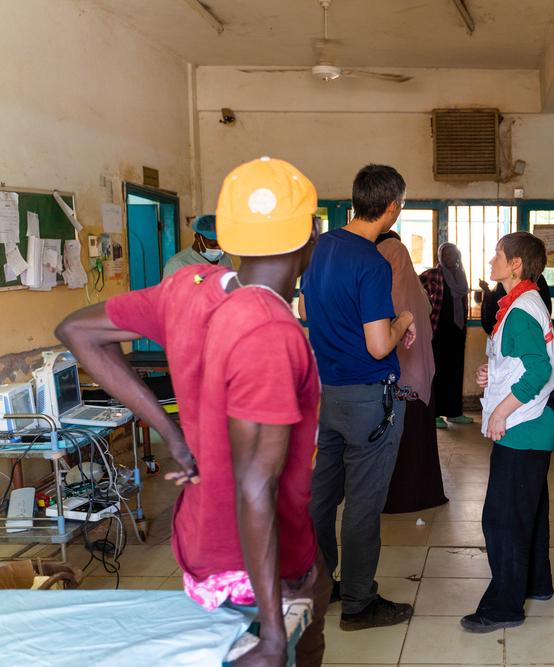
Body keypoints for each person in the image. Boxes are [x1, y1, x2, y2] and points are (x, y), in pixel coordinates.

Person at [56, 156, 330, 666]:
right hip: (254, 567)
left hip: (203, 543)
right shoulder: (270, 333)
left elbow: (76, 331)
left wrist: (171, 433)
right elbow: (256, 488)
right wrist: (272, 637)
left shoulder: (189, 289)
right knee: (305, 625)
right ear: (310, 234)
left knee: (322, 588)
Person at [298, 164, 416, 631]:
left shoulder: (322, 246)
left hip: (325, 393)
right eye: (401, 206)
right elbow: (377, 345)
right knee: (363, 504)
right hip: (368, 399)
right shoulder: (371, 261)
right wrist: (403, 321)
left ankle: (321, 585)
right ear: (390, 208)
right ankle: (360, 603)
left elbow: (307, 310)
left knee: (322, 497)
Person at [462, 232, 554, 633]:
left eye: (498, 256)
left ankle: (505, 606)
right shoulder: (523, 301)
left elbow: (540, 370)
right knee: (528, 512)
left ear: (516, 264)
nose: (491, 261)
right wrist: (494, 374)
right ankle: (536, 583)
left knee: (502, 519)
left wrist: (501, 410)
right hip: (534, 427)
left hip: (522, 428)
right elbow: (521, 361)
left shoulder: (520, 309)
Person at [376, 230, 449, 514]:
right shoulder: (415, 290)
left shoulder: (390, 292)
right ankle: (423, 493)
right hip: (418, 378)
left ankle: (398, 498)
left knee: (400, 438)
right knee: (415, 437)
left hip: (400, 378)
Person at [421, 243, 473, 428]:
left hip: (457, 331)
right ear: (440, 257)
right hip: (438, 332)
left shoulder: (461, 276)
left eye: (454, 254)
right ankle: (434, 414)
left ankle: (454, 412)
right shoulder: (432, 275)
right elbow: (416, 294)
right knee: (437, 372)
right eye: (446, 254)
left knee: (455, 371)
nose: (451, 258)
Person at [478, 272, 552, 334]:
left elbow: (545, 309)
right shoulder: (506, 280)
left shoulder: (534, 280)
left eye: (499, 256)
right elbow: (490, 321)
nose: (491, 262)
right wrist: (487, 292)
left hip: (523, 334)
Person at [163, 214, 234, 277]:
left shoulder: (225, 260)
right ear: (197, 237)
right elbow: (169, 291)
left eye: (222, 245)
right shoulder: (177, 265)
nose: (219, 249)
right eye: (213, 245)